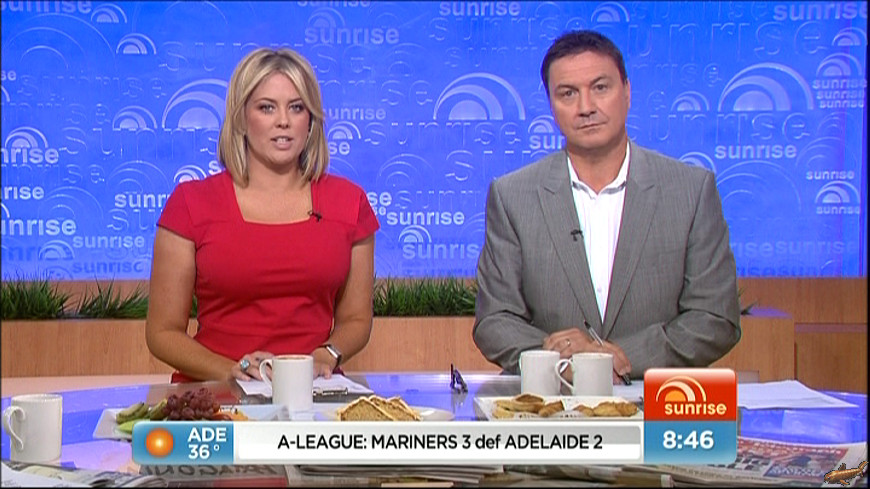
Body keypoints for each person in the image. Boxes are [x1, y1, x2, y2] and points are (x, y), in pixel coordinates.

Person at [473, 30, 740, 382]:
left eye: (600, 88)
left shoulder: (690, 190)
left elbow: (715, 317)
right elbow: (495, 320)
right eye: (568, 93)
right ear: (551, 105)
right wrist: (562, 360)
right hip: (554, 404)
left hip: (659, 402)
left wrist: (621, 357)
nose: (586, 107)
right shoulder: (513, 196)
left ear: (627, 92)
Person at [146, 48, 379, 383]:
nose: (283, 121)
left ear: (311, 120)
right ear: (241, 118)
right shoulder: (191, 203)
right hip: (216, 395)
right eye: (267, 107)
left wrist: (326, 354)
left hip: (314, 394)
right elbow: (163, 333)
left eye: (296, 107)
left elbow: (356, 319)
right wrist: (232, 371)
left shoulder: (349, 203)